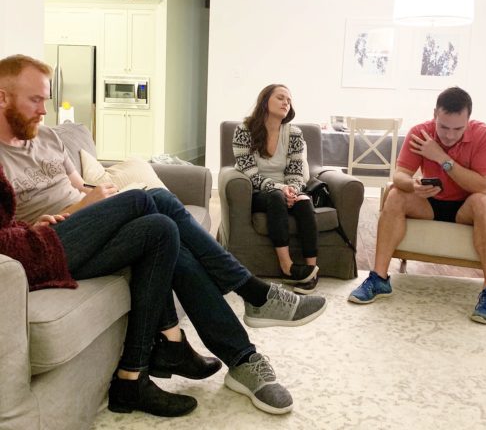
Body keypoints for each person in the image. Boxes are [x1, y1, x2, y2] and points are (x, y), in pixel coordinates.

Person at [0, 55, 327, 417]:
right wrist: (66, 214)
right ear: (2, 97)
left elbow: (80, 187)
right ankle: (252, 292)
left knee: (162, 229)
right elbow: (10, 238)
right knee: (147, 198)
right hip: (51, 245)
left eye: (46, 100)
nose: (43, 111)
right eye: (35, 100)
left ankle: (233, 360)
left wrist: (100, 198)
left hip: (92, 225)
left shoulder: (47, 137)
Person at [348, 87, 486, 324]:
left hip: (467, 207)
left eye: (458, 129)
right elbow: (399, 175)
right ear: (435, 115)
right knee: (396, 194)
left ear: (468, 120)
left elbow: (483, 185)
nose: (449, 135)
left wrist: (441, 157)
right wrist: (412, 185)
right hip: (430, 202)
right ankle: (379, 278)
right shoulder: (420, 132)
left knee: (485, 202)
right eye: (444, 127)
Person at [233, 84, 320, 294]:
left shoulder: (294, 133)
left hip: (286, 189)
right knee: (275, 197)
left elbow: (296, 170)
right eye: (280, 98)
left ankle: (311, 270)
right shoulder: (244, 130)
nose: (286, 103)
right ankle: (287, 266)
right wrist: (280, 189)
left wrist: (293, 190)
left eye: (288, 100)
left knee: (304, 202)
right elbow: (248, 171)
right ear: (265, 101)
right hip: (258, 192)